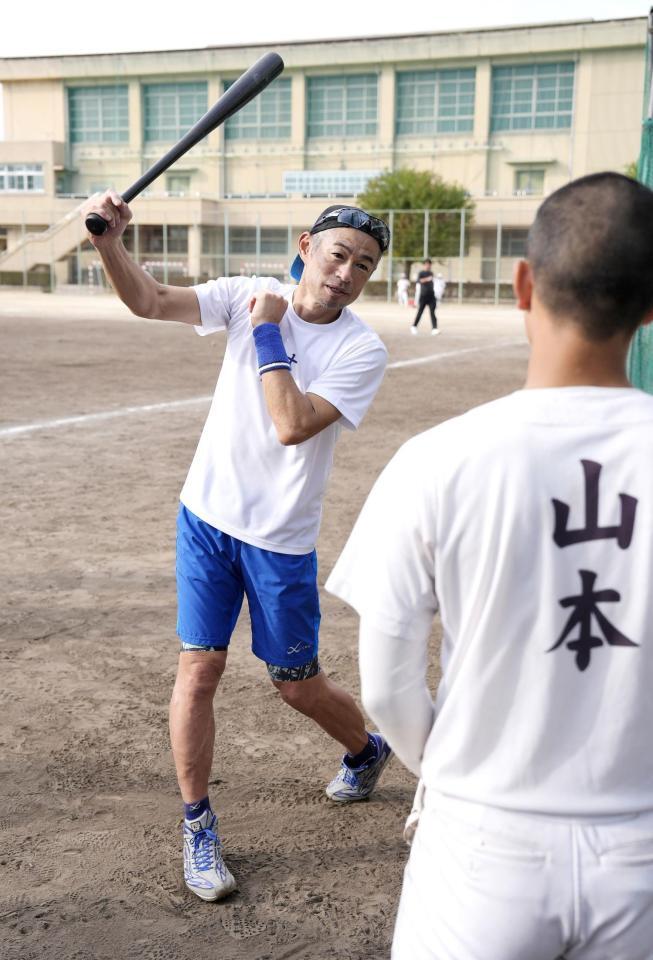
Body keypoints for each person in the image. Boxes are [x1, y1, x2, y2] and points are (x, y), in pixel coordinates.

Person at [326, 172, 653, 960]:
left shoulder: (437, 458)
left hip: (481, 844)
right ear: (649, 305)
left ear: (521, 284)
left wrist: (454, 775)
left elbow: (388, 686)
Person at [80, 196, 394, 902]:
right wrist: (111, 246)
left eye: (363, 266)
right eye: (338, 254)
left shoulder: (359, 349)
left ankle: (367, 749)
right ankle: (198, 824)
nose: (346, 273)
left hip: (280, 542)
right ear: (306, 245)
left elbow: (289, 423)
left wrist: (265, 335)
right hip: (206, 518)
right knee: (199, 668)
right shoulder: (247, 293)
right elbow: (151, 300)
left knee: (296, 685)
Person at [411, 258, 439, 335]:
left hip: (431, 296)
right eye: (426, 264)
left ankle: (434, 328)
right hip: (423, 296)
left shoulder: (431, 273)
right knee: (420, 312)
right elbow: (419, 281)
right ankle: (414, 326)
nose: (428, 266)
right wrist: (427, 279)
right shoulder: (421, 273)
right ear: (424, 265)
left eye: (429, 264)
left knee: (432, 312)